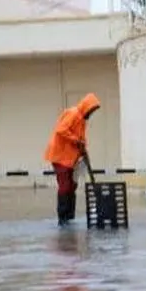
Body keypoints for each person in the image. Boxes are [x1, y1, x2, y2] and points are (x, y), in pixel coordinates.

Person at [43, 93, 100, 225]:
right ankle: (62, 217)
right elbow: (61, 130)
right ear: (87, 107)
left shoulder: (82, 120)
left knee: (72, 185)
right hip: (60, 156)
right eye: (91, 110)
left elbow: (81, 139)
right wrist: (77, 141)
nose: (91, 113)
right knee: (65, 185)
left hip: (70, 158)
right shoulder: (73, 114)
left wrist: (83, 148)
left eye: (93, 111)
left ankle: (69, 215)